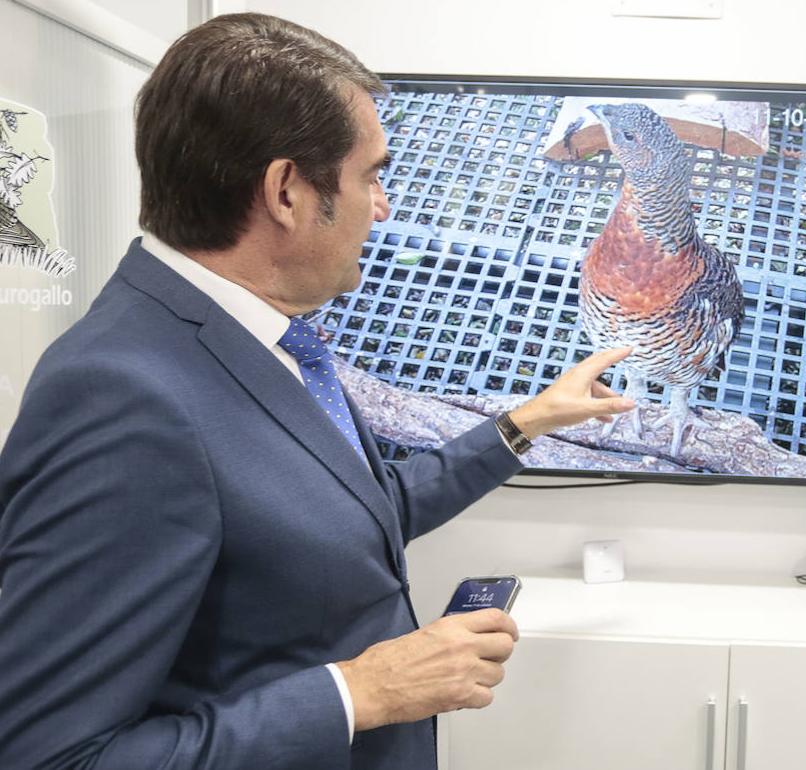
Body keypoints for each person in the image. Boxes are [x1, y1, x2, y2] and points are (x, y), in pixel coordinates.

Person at [0, 13, 634, 769]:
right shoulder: (121, 397)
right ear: (287, 192)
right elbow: (49, 756)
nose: (383, 206)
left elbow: (353, 513)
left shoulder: (262, 336)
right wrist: (359, 693)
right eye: (371, 176)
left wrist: (524, 424)